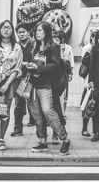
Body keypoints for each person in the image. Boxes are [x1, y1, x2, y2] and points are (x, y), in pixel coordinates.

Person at [26, 21, 71, 156]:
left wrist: (38, 67)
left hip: (47, 86)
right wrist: (29, 66)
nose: (37, 33)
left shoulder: (53, 47)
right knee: (37, 115)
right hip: (34, 85)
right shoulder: (34, 47)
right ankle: (42, 141)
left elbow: (55, 66)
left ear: (46, 32)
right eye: (36, 31)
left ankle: (65, 138)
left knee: (48, 111)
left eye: (40, 30)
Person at [0, 20, 22, 150]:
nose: (6, 30)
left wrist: (6, 84)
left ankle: (1, 138)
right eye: (3, 27)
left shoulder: (17, 48)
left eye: (8, 27)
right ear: (0, 30)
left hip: (9, 82)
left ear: (12, 31)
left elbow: (17, 68)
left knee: (5, 111)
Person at [11, 22, 35, 137]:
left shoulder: (34, 45)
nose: (21, 34)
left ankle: (40, 133)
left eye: (23, 32)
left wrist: (23, 64)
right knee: (18, 105)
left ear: (29, 32)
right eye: (19, 33)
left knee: (34, 105)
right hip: (19, 79)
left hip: (33, 79)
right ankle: (17, 129)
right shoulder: (15, 46)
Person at [79, 31, 96, 137]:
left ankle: (97, 129)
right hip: (89, 82)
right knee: (87, 106)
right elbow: (84, 63)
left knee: (97, 107)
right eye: (97, 38)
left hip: (98, 82)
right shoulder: (87, 49)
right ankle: (84, 128)